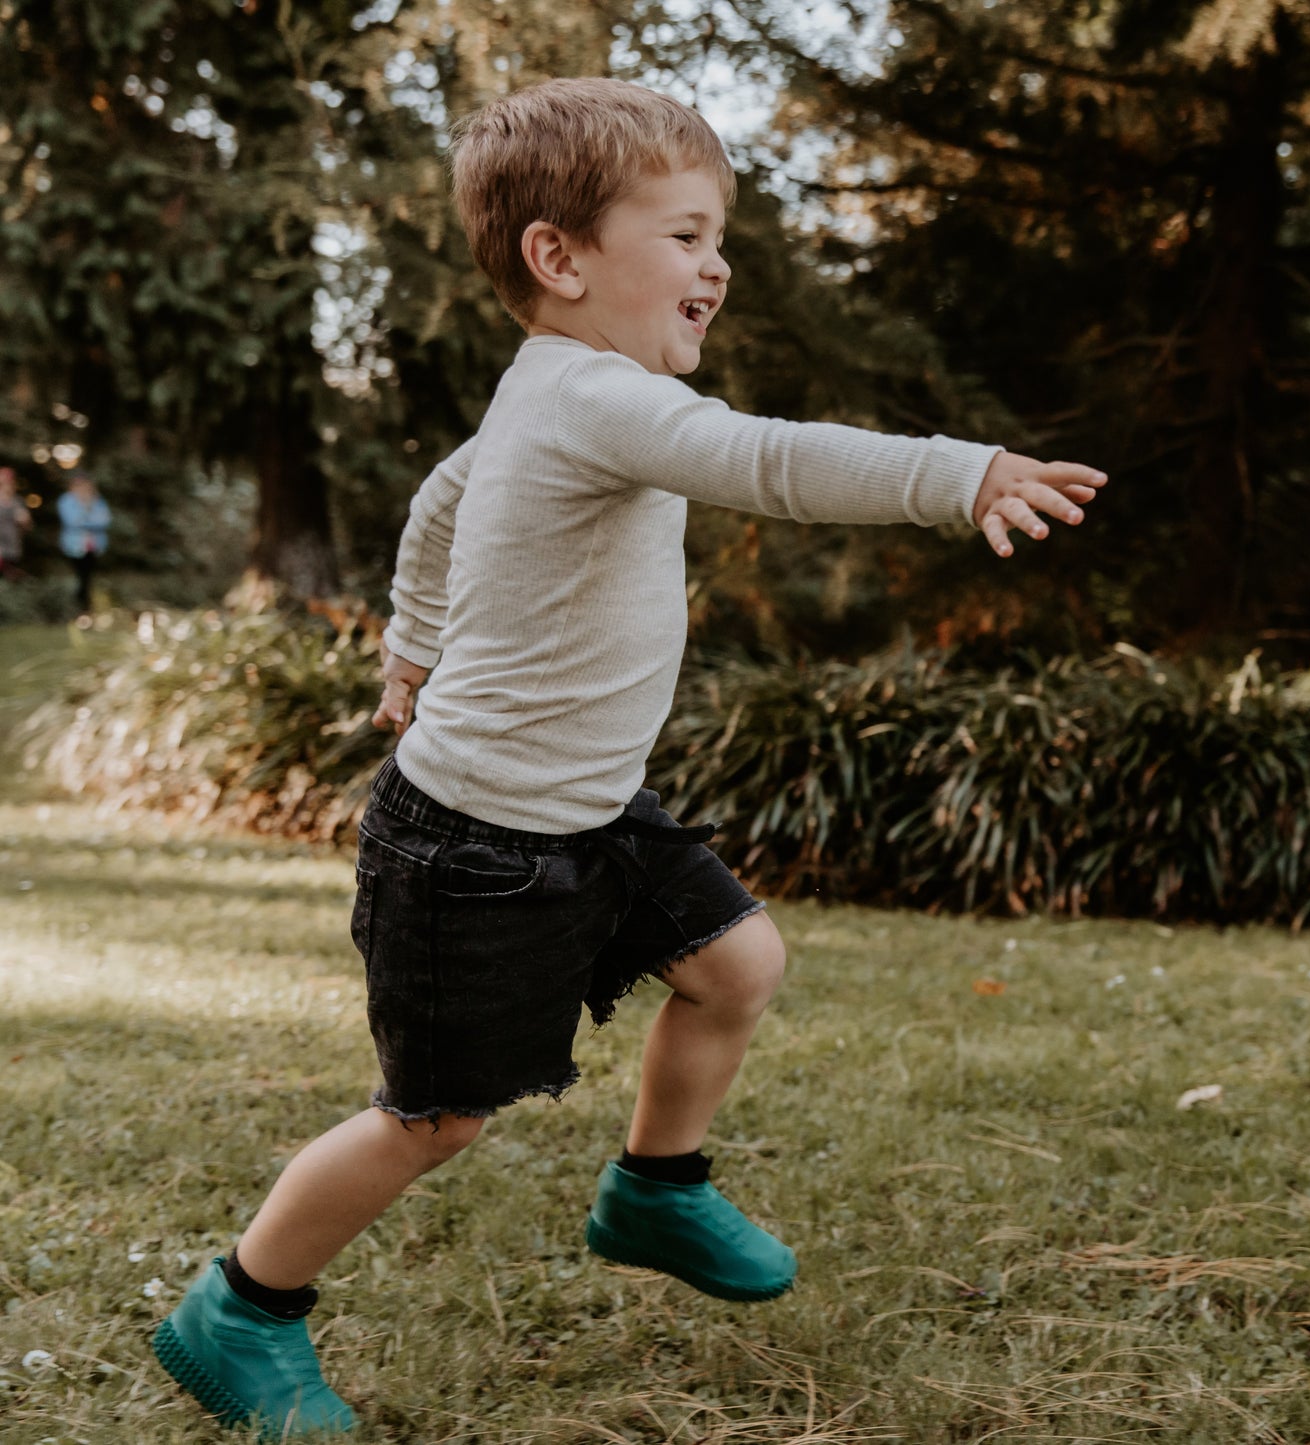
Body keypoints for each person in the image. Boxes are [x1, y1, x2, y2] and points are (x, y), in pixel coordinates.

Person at [153, 77, 1108, 1437]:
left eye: (720, 236)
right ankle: (238, 1309)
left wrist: (408, 648)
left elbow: (440, 499)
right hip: (474, 842)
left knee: (737, 964)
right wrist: (957, 474)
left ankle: (654, 1189)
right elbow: (765, 460)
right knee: (435, 1119)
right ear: (561, 258)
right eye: (685, 232)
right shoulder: (599, 399)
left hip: (593, 811)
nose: (717, 263)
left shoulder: (562, 395)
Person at [56, 472, 111, 613]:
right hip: (73, 546)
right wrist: (87, 512)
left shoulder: (97, 500)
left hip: (94, 547)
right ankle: (74, 608)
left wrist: (86, 519)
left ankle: (85, 609)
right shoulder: (66, 500)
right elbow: (71, 521)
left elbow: (104, 521)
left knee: (88, 578)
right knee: (77, 577)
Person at [0, 466, 32, 579]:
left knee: (11, 578)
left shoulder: (18, 501)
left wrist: (25, 521)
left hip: (13, 547)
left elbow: (27, 527)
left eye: (10, 483)